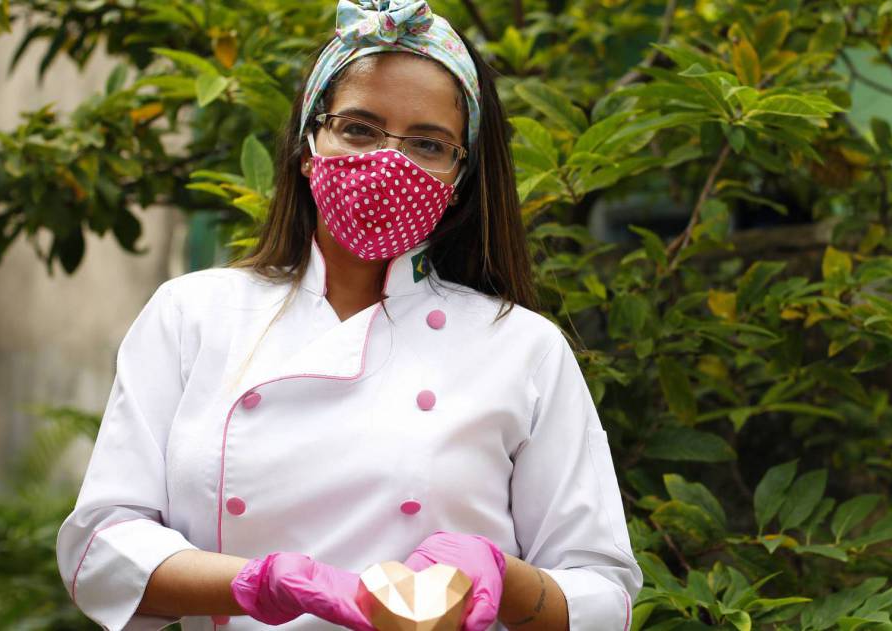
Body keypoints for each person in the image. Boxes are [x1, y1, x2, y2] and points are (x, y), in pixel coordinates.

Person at [54, 1, 642, 630]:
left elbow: (604, 595)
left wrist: (508, 578)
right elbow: (101, 551)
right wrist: (260, 583)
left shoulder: (523, 348)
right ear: (309, 143)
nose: (390, 164)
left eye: (428, 144)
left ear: (459, 177)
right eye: (358, 128)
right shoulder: (193, 315)